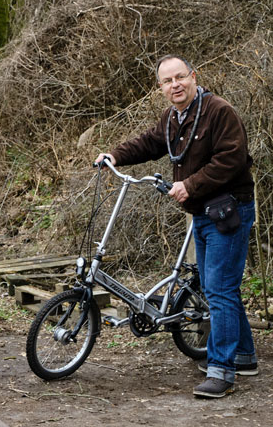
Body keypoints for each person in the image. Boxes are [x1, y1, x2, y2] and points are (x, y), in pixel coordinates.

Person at [94, 55, 257, 399]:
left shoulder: (218, 111)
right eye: (167, 82)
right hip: (203, 212)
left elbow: (232, 158)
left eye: (180, 77)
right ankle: (243, 355)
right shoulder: (173, 117)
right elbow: (151, 142)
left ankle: (222, 371)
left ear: (193, 77)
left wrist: (190, 185)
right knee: (221, 285)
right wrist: (115, 155)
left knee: (219, 290)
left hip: (228, 210)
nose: (175, 85)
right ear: (161, 89)